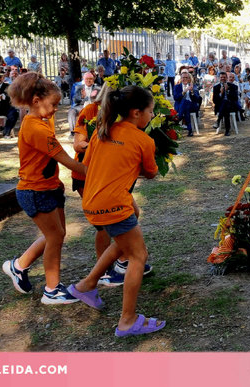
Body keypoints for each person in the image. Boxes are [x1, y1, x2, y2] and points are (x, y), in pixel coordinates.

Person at [68, 85, 165, 337]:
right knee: (138, 255)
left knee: (129, 230)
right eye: (150, 111)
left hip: (92, 200)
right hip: (113, 204)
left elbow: (86, 166)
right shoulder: (144, 139)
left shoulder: (103, 131)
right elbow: (152, 172)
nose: (151, 116)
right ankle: (127, 320)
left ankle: (87, 284)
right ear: (135, 113)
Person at [1, 73, 87, 304]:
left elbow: (45, 161)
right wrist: (98, 173)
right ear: (37, 100)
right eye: (54, 104)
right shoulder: (36, 128)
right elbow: (65, 159)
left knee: (56, 235)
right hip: (35, 191)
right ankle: (52, 290)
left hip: (49, 187)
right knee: (55, 236)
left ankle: (19, 266)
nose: (56, 110)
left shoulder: (42, 121)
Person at [68, 72, 101, 137]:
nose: (88, 81)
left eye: (90, 79)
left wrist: (94, 97)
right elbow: (74, 99)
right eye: (87, 79)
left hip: (92, 106)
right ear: (84, 79)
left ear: (93, 79)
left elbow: (101, 99)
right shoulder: (79, 87)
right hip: (81, 106)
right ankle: (74, 131)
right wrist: (82, 97)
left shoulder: (98, 88)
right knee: (71, 111)